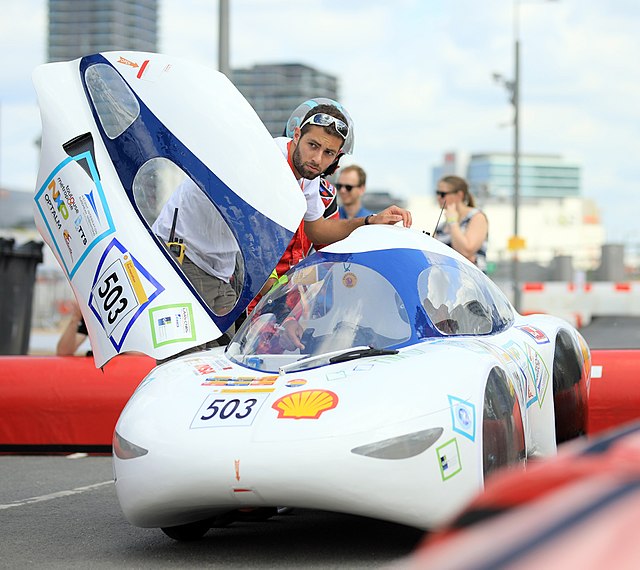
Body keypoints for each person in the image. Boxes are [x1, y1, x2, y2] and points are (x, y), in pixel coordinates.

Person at [152, 178, 239, 350]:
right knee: (184, 356)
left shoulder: (299, 181)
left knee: (223, 357)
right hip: (184, 253)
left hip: (221, 269)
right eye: (310, 147)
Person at [433, 175, 488, 271]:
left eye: (442, 194)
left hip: (470, 281)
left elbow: (466, 251)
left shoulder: (476, 217)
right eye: (437, 193)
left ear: (459, 195)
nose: (438, 198)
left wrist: (453, 222)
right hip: (447, 282)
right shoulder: (442, 226)